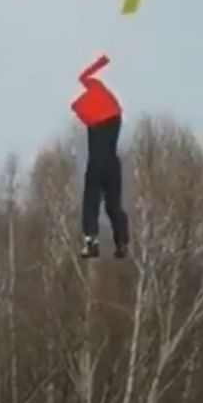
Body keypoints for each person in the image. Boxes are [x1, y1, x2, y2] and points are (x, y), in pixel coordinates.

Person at [71, 54, 129, 258]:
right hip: (113, 167)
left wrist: (99, 63)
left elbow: (83, 81)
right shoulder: (115, 115)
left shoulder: (92, 121)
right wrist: (102, 62)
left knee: (91, 202)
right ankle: (121, 242)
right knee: (114, 206)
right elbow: (85, 78)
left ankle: (91, 241)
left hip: (97, 166)